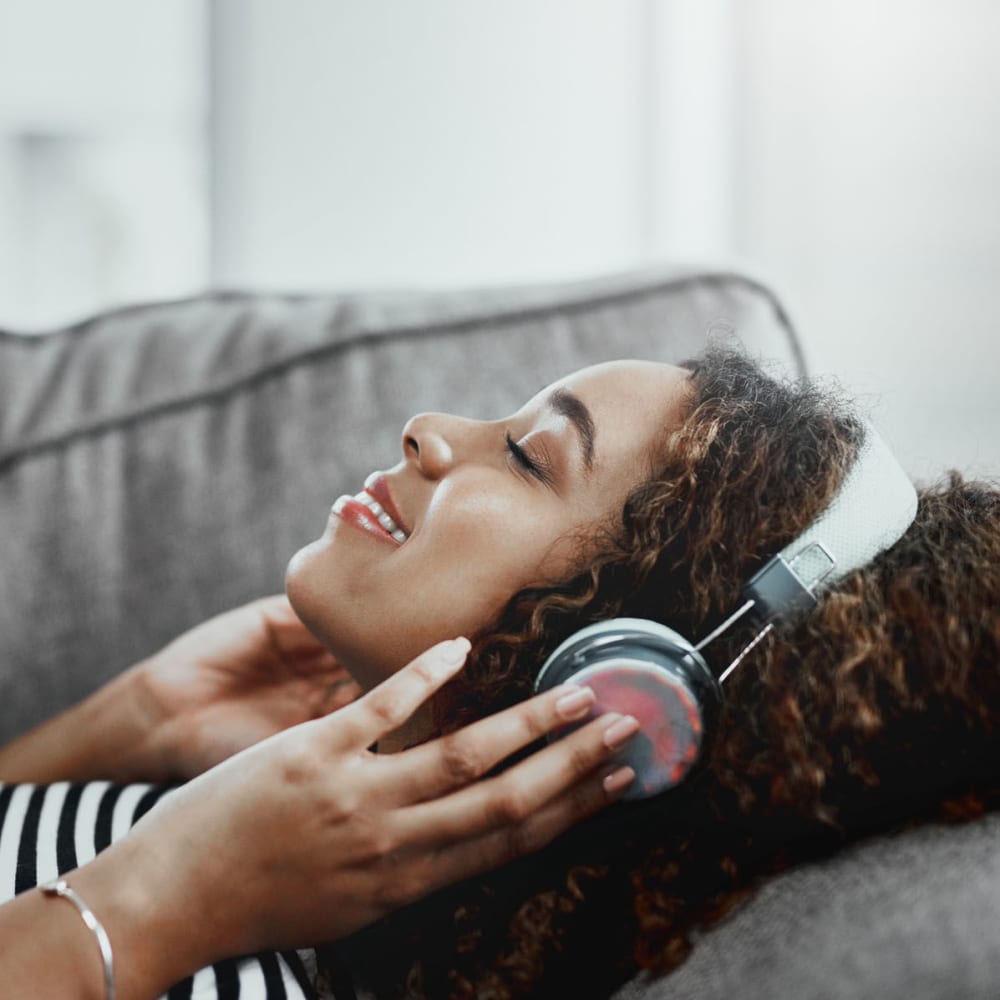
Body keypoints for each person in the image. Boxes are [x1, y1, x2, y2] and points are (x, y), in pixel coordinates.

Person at [0, 348, 996, 999]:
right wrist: (133, 722)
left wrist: (166, 897)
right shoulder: (233, 808)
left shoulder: (220, 929)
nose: (428, 428)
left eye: (526, 455)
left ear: (622, 682)